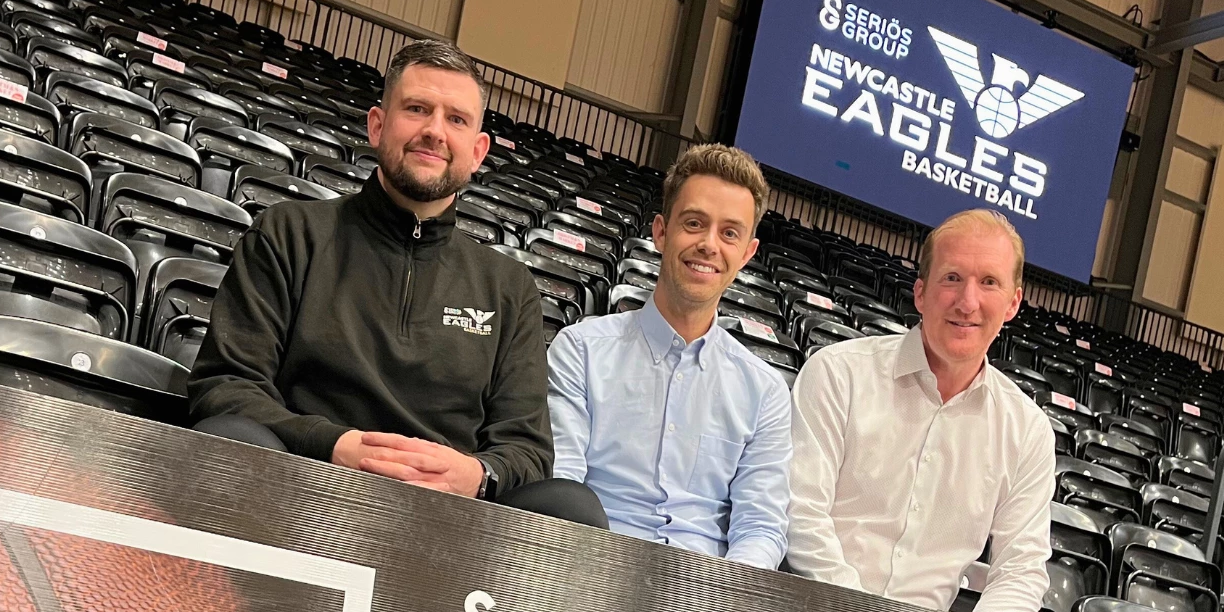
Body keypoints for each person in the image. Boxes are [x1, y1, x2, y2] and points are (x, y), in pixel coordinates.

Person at [188, 39, 605, 527]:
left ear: (477, 151)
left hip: (446, 519)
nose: (434, 132)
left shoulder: (508, 288)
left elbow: (526, 450)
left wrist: (476, 474)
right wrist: (334, 445)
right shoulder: (290, 234)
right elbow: (226, 386)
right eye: (417, 109)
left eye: (456, 119)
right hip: (300, 483)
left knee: (572, 508)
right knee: (230, 438)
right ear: (377, 125)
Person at [786, 209, 1052, 612]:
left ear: (1013, 303)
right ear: (920, 293)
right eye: (952, 278)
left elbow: (1021, 570)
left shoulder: (1028, 432)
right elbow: (800, 512)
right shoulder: (838, 374)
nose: (968, 302)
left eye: (989, 282)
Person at [546, 145, 790, 567]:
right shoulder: (580, 350)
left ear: (747, 254)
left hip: (705, 599)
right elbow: (561, 483)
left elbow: (760, 527)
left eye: (729, 233)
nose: (709, 245)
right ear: (661, 231)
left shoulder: (765, 392)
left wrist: (718, 598)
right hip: (590, 573)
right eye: (694, 223)